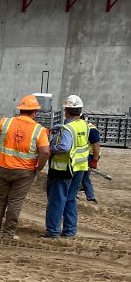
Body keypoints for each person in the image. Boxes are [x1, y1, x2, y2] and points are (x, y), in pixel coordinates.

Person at [0, 95, 50, 240]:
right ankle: (8, 234)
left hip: (2, 168)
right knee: (15, 202)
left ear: (20, 109)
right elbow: (45, 152)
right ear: (35, 112)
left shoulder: (5, 122)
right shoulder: (39, 130)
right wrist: (38, 169)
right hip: (24, 173)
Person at [43, 95, 96, 239]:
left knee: (57, 200)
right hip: (79, 168)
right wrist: (60, 128)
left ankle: (53, 231)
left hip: (64, 169)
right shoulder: (84, 125)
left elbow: (64, 147)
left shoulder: (67, 129)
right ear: (80, 110)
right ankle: (69, 230)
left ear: (66, 111)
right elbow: (75, 133)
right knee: (70, 199)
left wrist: (50, 148)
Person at [79, 119, 102, 203]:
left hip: (90, 156)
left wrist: (95, 160)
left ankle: (80, 192)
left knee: (79, 175)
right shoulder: (85, 127)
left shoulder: (91, 130)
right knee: (84, 177)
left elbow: (96, 145)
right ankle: (90, 196)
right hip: (87, 155)